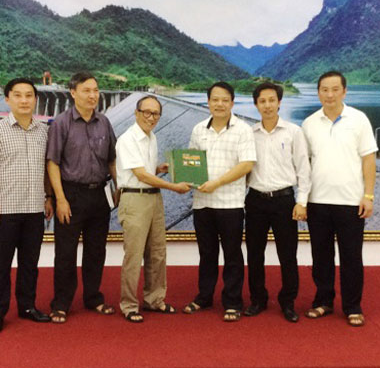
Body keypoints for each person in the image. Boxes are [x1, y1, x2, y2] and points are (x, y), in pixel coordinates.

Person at [301, 71, 377, 327]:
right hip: (318, 201)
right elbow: (304, 165)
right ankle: (323, 301)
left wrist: (368, 195)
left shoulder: (359, 119)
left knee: (351, 257)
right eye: (324, 89)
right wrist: (303, 199)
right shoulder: (309, 123)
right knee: (321, 256)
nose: (330, 94)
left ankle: (353, 306)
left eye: (335, 89)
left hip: (351, 202)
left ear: (344, 91)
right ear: (318, 92)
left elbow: (369, 159)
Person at [0, 78, 53, 334]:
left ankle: (27, 307)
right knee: (1, 265)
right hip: (5, 210)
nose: (24, 100)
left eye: (29, 95)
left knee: (30, 264)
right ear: (7, 99)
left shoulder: (44, 131)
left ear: (35, 99)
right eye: (18, 95)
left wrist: (49, 197)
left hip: (34, 210)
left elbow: (47, 168)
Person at [46, 71, 117, 323]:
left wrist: (119, 186)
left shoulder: (104, 122)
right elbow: (52, 163)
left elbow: (112, 160)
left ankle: (93, 298)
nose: (92, 95)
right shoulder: (61, 123)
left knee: (96, 250)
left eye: (95, 90)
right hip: (71, 195)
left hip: (99, 194)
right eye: (86, 90)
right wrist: (60, 199)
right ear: (73, 93)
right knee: (65, 252)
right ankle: (61, 303)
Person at [183, 81, 256, 322]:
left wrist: (217, 182)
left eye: (225, 100)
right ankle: (204, 297)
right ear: (208, 102)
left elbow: (246, 164)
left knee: (232, 254)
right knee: (207, 253)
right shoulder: (198, 130)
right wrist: (184, 176)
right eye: (215, 99)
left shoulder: (243, 129)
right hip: (202, 202)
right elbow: (191, 162)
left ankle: (233, 302)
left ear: (232, 103)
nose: (220, 104)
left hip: (230, 204)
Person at [116, 95, 191, 323]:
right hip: (134, 199)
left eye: (156, 113)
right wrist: (173, 187)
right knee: (134, 255)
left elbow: (146, 171)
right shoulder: (128, 139)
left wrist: (160, 168)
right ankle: (129, 305)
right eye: (146, 112)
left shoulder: (152, 137)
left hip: (153, 198)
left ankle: (155, 299)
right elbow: (140, 175)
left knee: (157, 252)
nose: (151, 117)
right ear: (136, 113)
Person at [244, 82, 311, 322]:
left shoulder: (293, 132)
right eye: (262, 101)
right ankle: (258, 299)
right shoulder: (249, 134)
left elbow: (304, 169)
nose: (267, 105)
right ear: (256, 104)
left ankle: (288, 302)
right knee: (254, 254)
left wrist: (302, 201)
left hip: (284, 201)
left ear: (279, 102)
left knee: (288, 254)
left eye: (272, 100)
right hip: (255, 200)